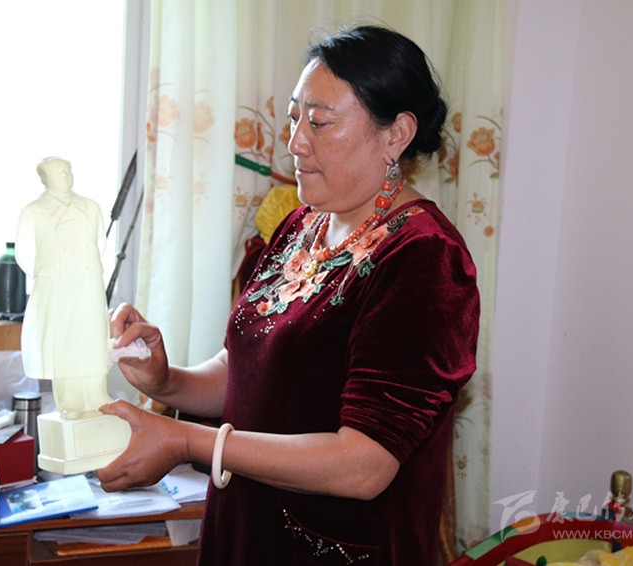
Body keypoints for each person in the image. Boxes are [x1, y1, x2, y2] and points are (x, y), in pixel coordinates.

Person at [98, 25, 480, 565]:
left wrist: (186, 441)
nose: (296, 141)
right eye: (295, 117)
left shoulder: (424, 258)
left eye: (319, 122)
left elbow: (364, 464)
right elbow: (248, 372)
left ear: (396, 134)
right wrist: (167, 380)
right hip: (245, 531)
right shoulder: (303, 226)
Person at [15, 156, 113, 419]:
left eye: (67, 171)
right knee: (63, 341)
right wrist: (48, 274)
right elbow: (25, 253)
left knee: (91, 335)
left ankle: (97, 393)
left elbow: (100, 243)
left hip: (88, 281)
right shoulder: (34, 211)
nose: (64, 175)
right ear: (44, 179)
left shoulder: (90, 207)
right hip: (57, 285)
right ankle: (70, 398)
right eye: (57, 172)